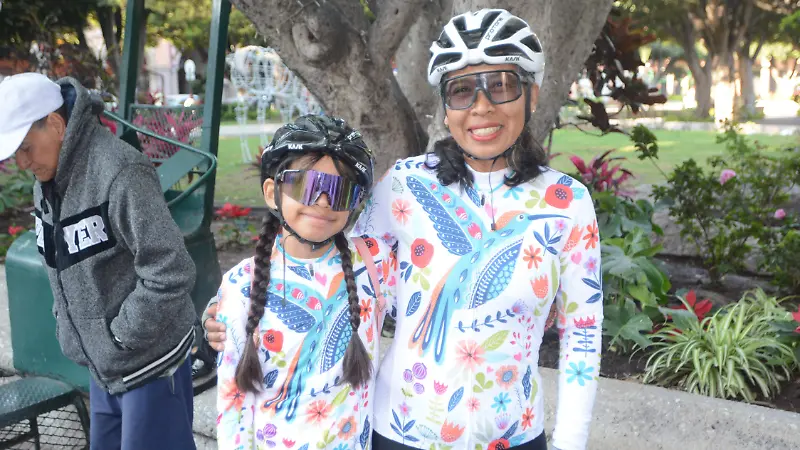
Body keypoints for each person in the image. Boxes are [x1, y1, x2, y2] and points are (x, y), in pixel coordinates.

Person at [206, 8, 603, 450]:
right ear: (445, 105)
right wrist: (236, 309)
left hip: (513, 434)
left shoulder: (568, 204)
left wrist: (570, 443)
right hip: (399, 434)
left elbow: (582, 334)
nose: (482, 106)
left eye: (502, 85)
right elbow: (334, 265)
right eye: (462, 90)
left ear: (533, 92)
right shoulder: (405, 185)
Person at [0, 73, 198, 449]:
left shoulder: (120, 173)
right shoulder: (48, 179)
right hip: (103, 367)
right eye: (15, 154)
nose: (23, 162)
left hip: (149, 365)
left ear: (56, 125)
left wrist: (119, 337)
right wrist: (77, 332)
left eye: (26, 148)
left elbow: (170, 270)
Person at [214, 115, 394, 450]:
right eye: (307, 186)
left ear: (356, 202)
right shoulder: (242, 285)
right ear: (272, 192)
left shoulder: (376, 263)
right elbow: (233, 398)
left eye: (340, 191)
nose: (324, 201)